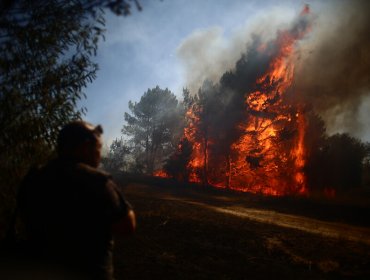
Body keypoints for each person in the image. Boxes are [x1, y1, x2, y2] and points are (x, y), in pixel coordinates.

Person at [16, 120, 136, 280]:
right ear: (86, 147)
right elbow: (127, 226)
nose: (100, 155)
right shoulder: (96, 180)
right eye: (99, 149)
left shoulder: (35, 177)